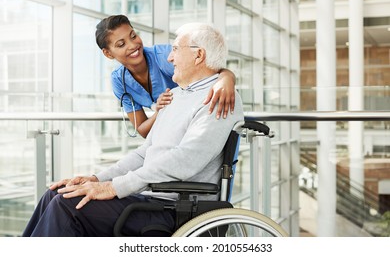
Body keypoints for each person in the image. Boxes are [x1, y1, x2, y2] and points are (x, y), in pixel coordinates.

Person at [22, 22, 244, 237]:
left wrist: (115, 187)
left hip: (174, 207)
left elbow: (184, 160)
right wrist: (96, 179)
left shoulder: (218, 99)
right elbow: (144, 152)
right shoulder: (174, 95)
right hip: (147, 197)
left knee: (67, 205)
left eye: (175, 49)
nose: (170, 57)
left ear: (198, 55)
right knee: (55, 193)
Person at [95, 14, 237, 138]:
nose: (133, 45)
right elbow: (143, 130)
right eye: (121, 44)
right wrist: (160, 111)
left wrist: (226, 78)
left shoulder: (163, 57)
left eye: (133, 36)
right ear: (108, 53)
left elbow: (209, 67)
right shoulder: (119, 80)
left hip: (196, 125)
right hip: (168, 133)